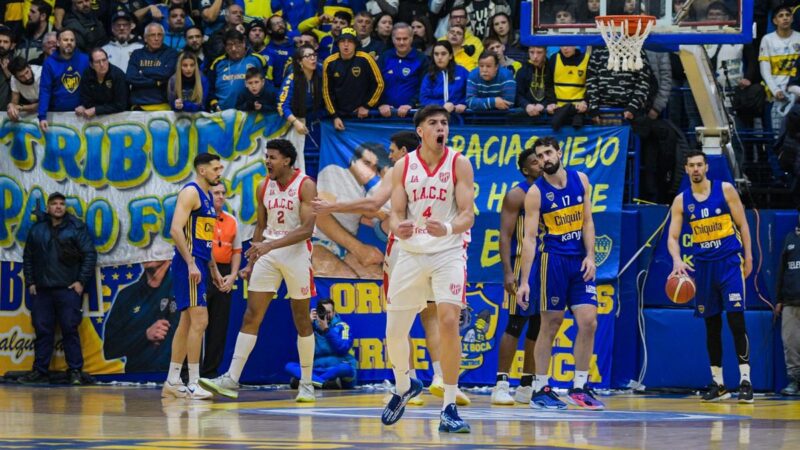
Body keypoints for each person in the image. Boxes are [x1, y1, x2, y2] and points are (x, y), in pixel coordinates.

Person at [312, 130, 471, 406]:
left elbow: (373, 204)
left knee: (401, 322)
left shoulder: (402, 169)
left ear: (405, 151)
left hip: (406, 248)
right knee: (433, 318)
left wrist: (334, 206)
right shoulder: (435, 169)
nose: (392, 154)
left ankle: (407, 381)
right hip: (433, 247)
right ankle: (439, 376)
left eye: (394, 149)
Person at [199, 139, 319, 402]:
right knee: (252, 315)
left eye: (272, 157)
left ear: (286, 160)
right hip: (267, 251)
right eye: (266, 156)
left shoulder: (306, 185)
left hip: (297, 252)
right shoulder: (263, 185)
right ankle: (232, 378)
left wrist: (270, 245)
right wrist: (251, 262)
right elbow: (260, 226)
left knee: (301, 318)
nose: (267, 161)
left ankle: (307, 384)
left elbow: (307, 230)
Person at [381, 105, 474, 433]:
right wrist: (398, 226)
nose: (441, 128)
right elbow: (394, 213)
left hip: (448, 251)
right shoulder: (403, 166)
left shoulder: (459, 162)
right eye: (433, 123)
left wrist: (447, 229)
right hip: (410, 252)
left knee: (448, 321)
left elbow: (467, 214)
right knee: (394, 331)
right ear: (420, 131)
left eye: (444, 123)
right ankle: (404, 384)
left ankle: (449, 405)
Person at [516, 136, 605, 411]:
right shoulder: (535, 192)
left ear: (559, 152)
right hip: (552, 261)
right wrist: (524, 282)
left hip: (578, 261)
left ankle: (579, 387)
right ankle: (542, 388)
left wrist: (591, 256)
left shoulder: (582, 179)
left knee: (589, 321)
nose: (544, 160)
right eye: (539, 157)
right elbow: (529, 239)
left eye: (547, 153)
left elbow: (588, 221)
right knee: (550, 325)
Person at [666, 150, 754, 403]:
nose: (695, 169)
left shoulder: (725, 190)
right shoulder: (681, 200)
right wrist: (677, 259)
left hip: (728, 263)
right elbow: (672, 237)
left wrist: (748, 257)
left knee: (737, 321)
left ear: (706, 167)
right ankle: (719, 384)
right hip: (703, 267)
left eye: (699, 165)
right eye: (691, 165)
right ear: (686, 169)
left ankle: (746, 380)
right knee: (711, 326)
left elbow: (743, 225)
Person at [161, 153, 225, 400]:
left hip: (199, 263)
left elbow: (204, 240)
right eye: (216, 168)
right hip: (188, 264)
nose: (219, 172)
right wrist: (190, 263)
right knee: (200, 322)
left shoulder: (208, 196)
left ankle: (173, 381)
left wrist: (214, 269)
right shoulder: (190, 192)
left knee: (187, 323)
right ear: (202, 170)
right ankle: (194, 382)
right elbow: (176, 229)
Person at [19, 192, 97, 385]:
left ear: (65, 207)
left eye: (62, 203)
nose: (58, 207)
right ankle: (40, 371)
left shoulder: (76, 228)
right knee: (43, 331)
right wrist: (30, 282)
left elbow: (89, 255)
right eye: (54, 204)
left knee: (70, 330)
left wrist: (80, 282)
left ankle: (75, 371)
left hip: (67, 290)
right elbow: (28, 257)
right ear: (48, 208)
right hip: (42, 291)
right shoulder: (37, 230)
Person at [493, 147, 542, 405]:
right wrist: (508, 271)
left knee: (539, 325)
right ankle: (501, 383)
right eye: (535, 161)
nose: (541, 163)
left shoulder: (553, 190)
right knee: (515, 322)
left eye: (543, 158)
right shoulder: (516, 194)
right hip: (522, 265)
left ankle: (527, 383)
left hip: (547, 265)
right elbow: (505, 235)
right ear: (526, 169)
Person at [102, 260, 180, 372]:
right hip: (136, 378)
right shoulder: (127, 295)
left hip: (176, 377)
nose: (148, 252)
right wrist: (145, 335)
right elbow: (109, 349)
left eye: (154, 246)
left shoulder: (183, 289)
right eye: (143, 247)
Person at [201, 183, 241, 378]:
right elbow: (203, 248)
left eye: (223, 193)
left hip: (225, 273)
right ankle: (186, 373)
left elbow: (237, 251)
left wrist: (233, 275)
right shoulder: (200, 218)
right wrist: (213, 271)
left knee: (219, 325)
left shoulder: (232, 220)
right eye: (216, 193)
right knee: (196, 323)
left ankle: (210, 373)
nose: (220, 196)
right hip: (204, 270)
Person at [285, 298, 358, 389]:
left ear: (334, 313)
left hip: (338, 370)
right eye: (323, 312)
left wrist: (327, 330)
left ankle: (309, 381)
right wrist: (308, 324)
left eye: (328, 312)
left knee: (345, 368)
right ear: (317, 313)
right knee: (289, 366)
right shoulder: (311, 329)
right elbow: (302, 351)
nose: (326, 315)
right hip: (317, 370)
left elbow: (342, 349)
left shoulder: (343, 327)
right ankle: (324, 384)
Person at [322, 27, 384, 131]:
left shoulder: (366, 59)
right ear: (338, 44)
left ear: (356, 44)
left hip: (364, 116)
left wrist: (367, 106)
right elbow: (327, 92)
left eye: (350, 41)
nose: (346, 45)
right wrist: (334, 116)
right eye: (342, 41)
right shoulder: (329, 62)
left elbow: (379, 84)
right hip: (339, 117)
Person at [278, 44, 324, 172]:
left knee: (320, 161)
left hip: (317, 123)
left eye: (314, 55)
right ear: (299, 61)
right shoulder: (292, 78)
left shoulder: (322, 73)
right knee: (299, 162)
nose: (313, 59)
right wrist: (295, 122)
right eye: (308, 56)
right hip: (298, 124)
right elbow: (282, 105)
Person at [37, 28, 89, 132]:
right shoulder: (49, 63)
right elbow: (45, 90)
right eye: (65, 40)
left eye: (72, 40)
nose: (69, 43)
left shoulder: (85, 59)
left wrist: (86, 105)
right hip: (56, 115)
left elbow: (91, 86)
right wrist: (42, 116)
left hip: (82, 114)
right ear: (58, 43)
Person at [759, 4, 800, 132]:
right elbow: (765, 69)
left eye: (788, 15)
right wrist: (775, 90)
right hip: (777, 95)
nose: (785, 18)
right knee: (778, 134)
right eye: (781, 16)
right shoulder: (767, 39)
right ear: (774, 21)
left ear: (792, 19)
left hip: (797, 93)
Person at [207, 30, 267, 111]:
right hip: (222, 113)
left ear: (244, 43)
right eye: (229, 45)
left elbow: (267, 84)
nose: (234, 49)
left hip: (250, 113)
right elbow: (210, 88)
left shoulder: (257, 60)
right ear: (225, 47)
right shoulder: (218, 63)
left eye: (237, 44)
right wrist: (214, 104)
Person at [378, 23, 428, 118]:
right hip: (384, 114)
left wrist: (411, 104)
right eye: (398, 39)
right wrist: (381, 103)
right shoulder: (385, 57)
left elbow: (424, 87)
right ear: (393, 39)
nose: (401, 42)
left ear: (411, 38)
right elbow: (375, 83)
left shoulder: (422, 59)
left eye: (405, 39)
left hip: (411, 115)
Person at [127, 23, 179, 111]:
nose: (156, 38)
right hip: (138, 105)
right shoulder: (136, 54)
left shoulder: (171, 53)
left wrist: (143, 72)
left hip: (163, 104)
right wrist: (156, 82)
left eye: (159, 35)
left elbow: (166, 74)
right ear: (145, 38)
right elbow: (130, 77)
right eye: (152, 35)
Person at [776, 210, 800, 396]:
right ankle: (794, 381)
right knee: (790, 344)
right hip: (790, 302)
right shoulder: (790, 238)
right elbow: (781, 271)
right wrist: (778, 300)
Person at [545, 46, 590, 131]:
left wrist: (585, 101)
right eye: (562, 45)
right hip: (558, 109)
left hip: (579, 109)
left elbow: (591, 85)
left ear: (575, 45)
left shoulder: (586, 59)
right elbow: (548, 85)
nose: (565, 48)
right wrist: (551, 102)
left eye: (568, 44)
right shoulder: (554, 59)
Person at [76, 48, 128, 117]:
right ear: (91, 65)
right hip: (94, 118)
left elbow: (121, 105)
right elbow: (86, 101)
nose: (102, 64)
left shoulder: (118, 75)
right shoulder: (87, 75)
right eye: (97, 62)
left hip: (119, 117)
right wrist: (84, 106)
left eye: (104, 60)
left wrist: (96, 110)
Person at [419, 41, 468, 113]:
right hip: (435, 116)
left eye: (443, 54)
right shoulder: (429, 76)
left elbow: (471, 93)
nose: (439, 57)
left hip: (460, 118)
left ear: (450, 56)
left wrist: (464, 104)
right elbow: (424, 99)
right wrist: (442, 105)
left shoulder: (462, 72)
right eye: (436, 54)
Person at [515, 46, 548, 118]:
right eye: (532, 52)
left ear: (545, 52)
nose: (535, 56)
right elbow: (517, 94)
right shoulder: (522, 71)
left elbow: (555, 91)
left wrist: (544, 104)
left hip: (547, 111)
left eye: (539, 52)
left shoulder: (551, 68)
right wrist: (526, 105)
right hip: (527, 111)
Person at [6, 57, 40, 121]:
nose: (27, 77)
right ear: (15, 77)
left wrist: (21, 107)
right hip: (31, 109)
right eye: (21, 76)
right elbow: (14, 102)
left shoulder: (42, 74)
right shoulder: (14, 80)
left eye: (27, 72)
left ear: (29, 67)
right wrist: (12, 107)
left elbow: (43, 104)